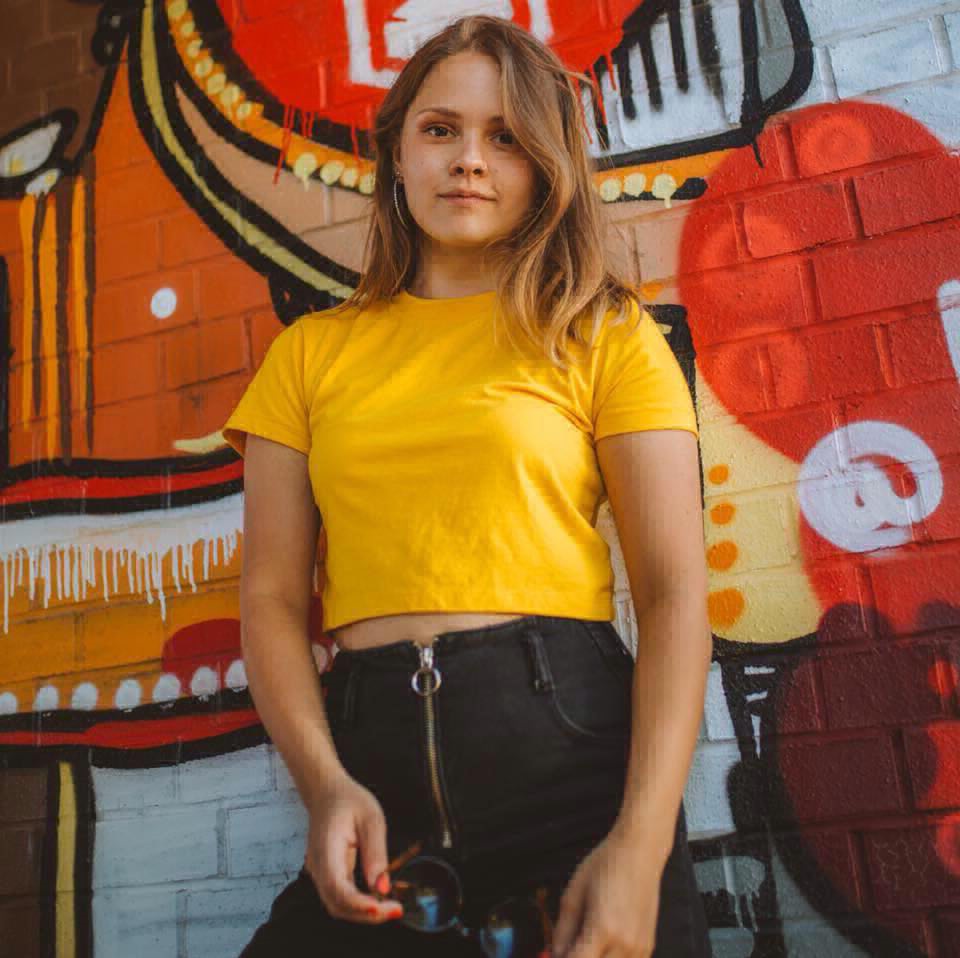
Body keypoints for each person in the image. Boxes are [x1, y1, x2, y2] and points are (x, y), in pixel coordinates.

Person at [222, 14, 713, 958]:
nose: (469, 162)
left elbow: (673, 594)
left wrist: (639, 848)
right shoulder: (308, 354)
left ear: (543, 168)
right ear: (398, 154)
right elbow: (274, 598)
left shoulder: (605, 335)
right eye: (440, 130)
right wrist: (325, 786)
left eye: (506, 138)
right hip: (373, 777)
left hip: (569, 760)